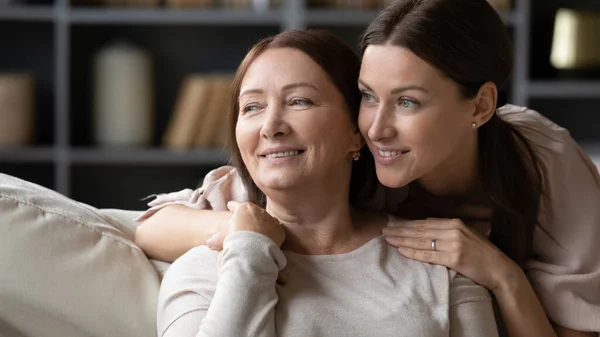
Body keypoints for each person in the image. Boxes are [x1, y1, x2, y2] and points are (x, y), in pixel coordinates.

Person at [136, 1, 600, 336]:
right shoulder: (326, 160)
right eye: (367, 96)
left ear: (479, 106)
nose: (377, 128)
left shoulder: (540, 158)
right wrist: (247, 232)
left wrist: (501, 275)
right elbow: (156, 227)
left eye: (408, 102)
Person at [155, 29, 498, 337]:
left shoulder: (437, 261)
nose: (271, 126)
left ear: (356, 131)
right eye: (252, 107)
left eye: (299, 101)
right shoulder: (201, 271)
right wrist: (249, 253)